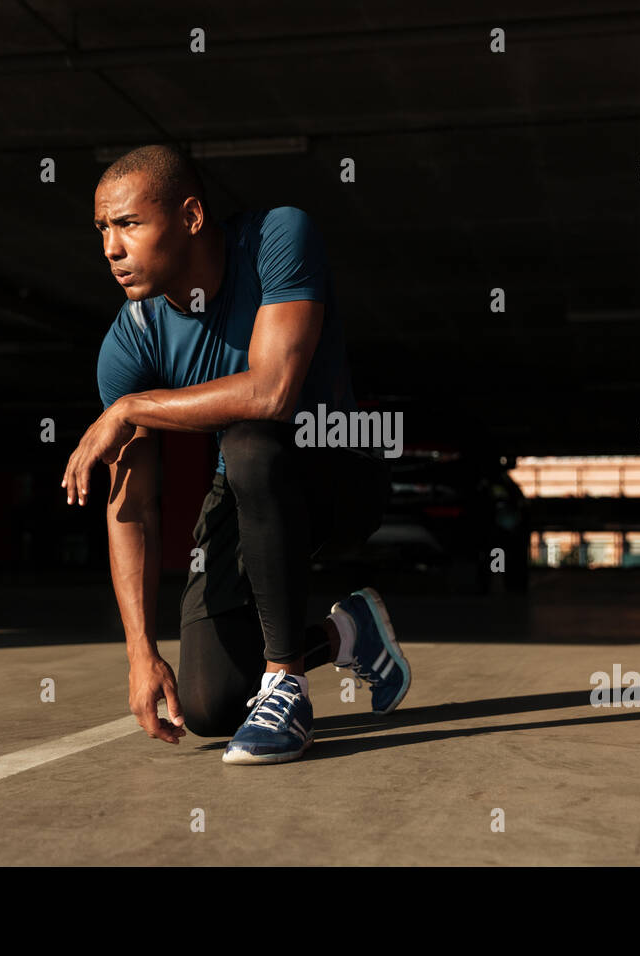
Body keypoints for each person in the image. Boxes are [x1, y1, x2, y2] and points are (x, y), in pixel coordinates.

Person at [61, 143, 410, 764]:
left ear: (191, 217)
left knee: (250, 441)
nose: (111, 248)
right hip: (248, 495)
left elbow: (274, 390)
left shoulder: (277, 237)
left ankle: (286, 687)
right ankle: (348, 631)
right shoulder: (129, 343)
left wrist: (131, 408)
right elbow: (134, 504)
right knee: (211, 706)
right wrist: (140, 652)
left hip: (336, 471)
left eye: (130, 224)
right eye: (103, 229)